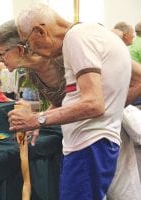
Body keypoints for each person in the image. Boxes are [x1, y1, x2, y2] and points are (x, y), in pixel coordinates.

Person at [8, 4, 131, 200]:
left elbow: (93, 104)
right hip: (93, 143)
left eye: (29, 44)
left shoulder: (77, 37)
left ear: (40, 31)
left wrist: (36, 119)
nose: (34, 51)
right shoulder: (88, 34)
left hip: (90, 143)